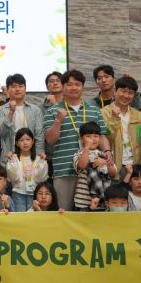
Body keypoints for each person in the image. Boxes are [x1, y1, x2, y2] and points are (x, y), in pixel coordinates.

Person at [44, 70, 111, 210]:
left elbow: (102, 135)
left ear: (83, 87)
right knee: (63, 212)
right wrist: (58, 121)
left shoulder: (94, 110)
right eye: (69, 84)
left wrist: (107, 152)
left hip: (92, 170)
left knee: (91, 213)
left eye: (78, 84)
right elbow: (50, 140)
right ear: (63, 87)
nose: (73, 87)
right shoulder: (52, 111)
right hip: (64, 170)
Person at [100, 76, 141, 180]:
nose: (126, 95)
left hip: (135, 166)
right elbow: (106, 140)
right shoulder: (103, 113)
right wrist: (114, 118)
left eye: (130, 93)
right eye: (123, 91)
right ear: (115, 91)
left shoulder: (139, 116)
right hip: (114, 166)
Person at [0, 74, 45, 165]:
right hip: (9, 158)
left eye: (20, 86)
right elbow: (0, 132)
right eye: (13, 86)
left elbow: (39, 135)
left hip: (31, 158)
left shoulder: (35, 110)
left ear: (25, 89)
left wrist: (38, 156)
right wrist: (11, 112)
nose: (17, 89)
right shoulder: (1, 110)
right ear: (8, 89)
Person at [73, 122, 116, 211]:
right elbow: (82, 165)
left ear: (100, 138)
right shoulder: (78, 154)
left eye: (96, 136)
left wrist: (104, 163)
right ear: (81, 139)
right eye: (88, 136)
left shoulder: (104, 155)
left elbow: (113, 173)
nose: (92, 139)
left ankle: (99, 197)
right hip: (83, 202)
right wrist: (87, 148)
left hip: (103, 202)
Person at [6, 128, 49, 212]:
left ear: (33, 141)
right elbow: (12, 177)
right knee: (19, 216)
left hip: (34, 193)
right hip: (18, 193)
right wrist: (11, 161)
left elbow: (41, 178)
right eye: (21, 140)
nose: (25, 143)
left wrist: (42, 162)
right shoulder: (14, 158)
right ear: (17, 143)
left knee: (33, 217)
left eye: (28, 139)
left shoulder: (38, 158)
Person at [41, 71, 64, 178]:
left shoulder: (70, 104)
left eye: (58, 80)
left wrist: (55, 104)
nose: (55, 83)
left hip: (68, 154)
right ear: (47, 86)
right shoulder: (40, 108)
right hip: (49, 156)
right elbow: (40, 132)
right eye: (51, 81)